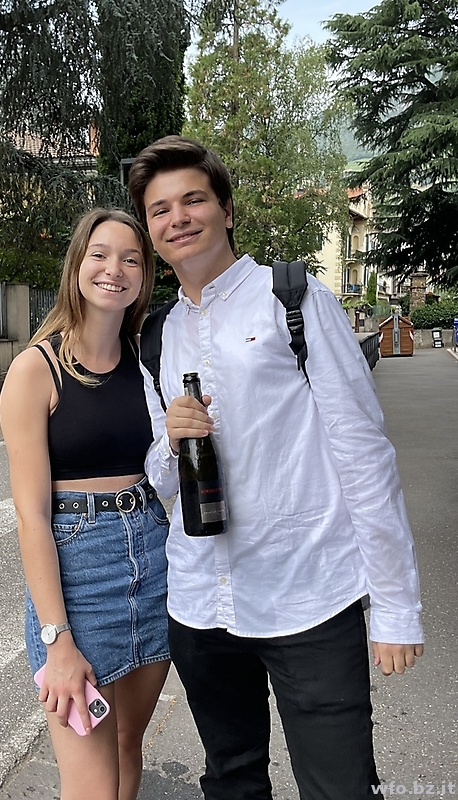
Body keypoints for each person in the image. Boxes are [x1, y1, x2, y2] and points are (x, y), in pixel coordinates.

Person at [128, 136, 424, 800]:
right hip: (201, 603)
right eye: (160, 210)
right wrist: (172, 441)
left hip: (308, 595)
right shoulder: (155, 334)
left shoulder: (292, 297)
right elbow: (159, 478)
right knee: (231, 780)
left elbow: (363, 452)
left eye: (193, 200)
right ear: (150, 229)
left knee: (340, 787)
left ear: (226, 210)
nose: (178, 218)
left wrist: (396, 606)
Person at [0, 208, 170, 800]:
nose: (114, 269)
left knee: (127, 745)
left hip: (154, 560)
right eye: (100, 254)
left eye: (131, 259)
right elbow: (31, 518)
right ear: (77, 265)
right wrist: (57, 639)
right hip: (81, 578)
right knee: (91, 784)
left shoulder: (148, 362)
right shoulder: (35, 370)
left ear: (144, 276)